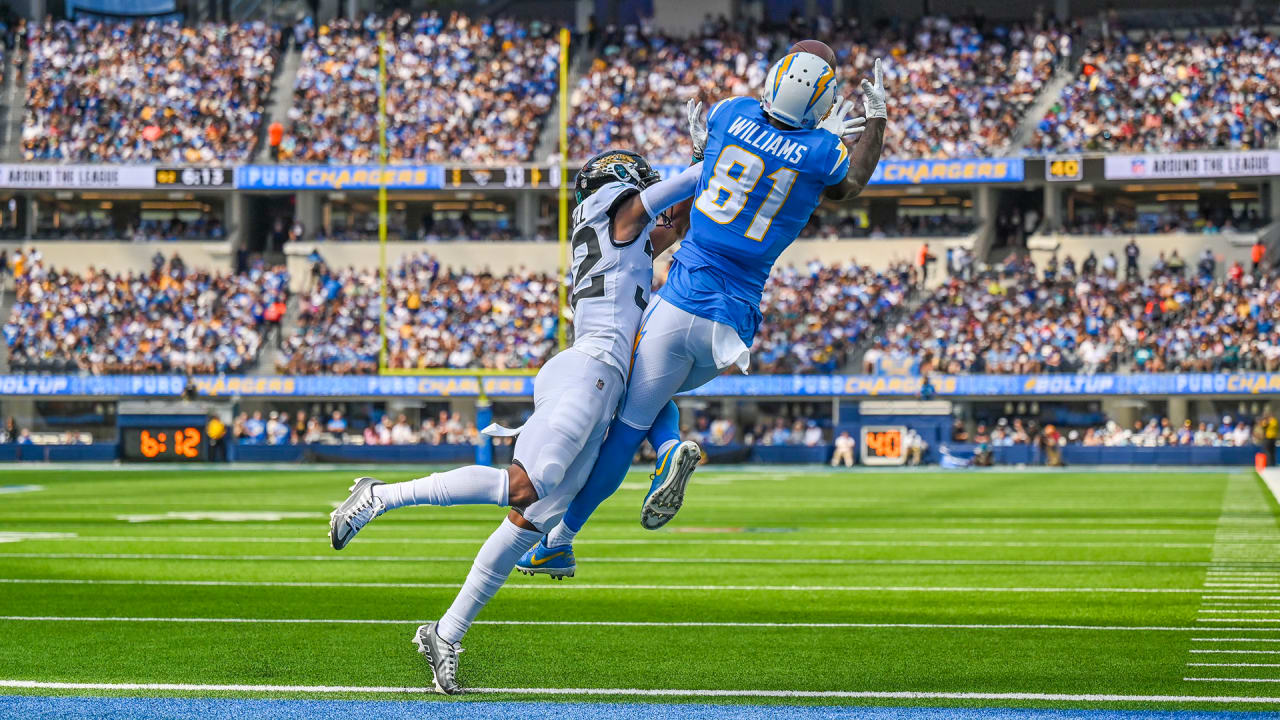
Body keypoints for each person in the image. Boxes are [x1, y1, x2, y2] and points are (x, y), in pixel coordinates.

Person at [326, 149, 699, 695]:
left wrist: (697, 164)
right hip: (589, 370)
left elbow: (678, 221)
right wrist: (716, 153)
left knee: (533, 519)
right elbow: (663, 203)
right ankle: (381, 495)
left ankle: (446, 633)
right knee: (523, 484)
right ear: (617, 184)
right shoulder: (610, 213)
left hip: (602, 380)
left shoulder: (628, 234)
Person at [519, 44, 887, 574]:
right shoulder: (820, 153)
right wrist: (874, 120)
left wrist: (699, 155)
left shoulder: (728, 115)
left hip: (681, 300)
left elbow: (698, 192)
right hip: (734, 323)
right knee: (647, 398)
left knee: (627, 422)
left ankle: (562, 536)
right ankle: (661, 450)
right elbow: (849, 183)